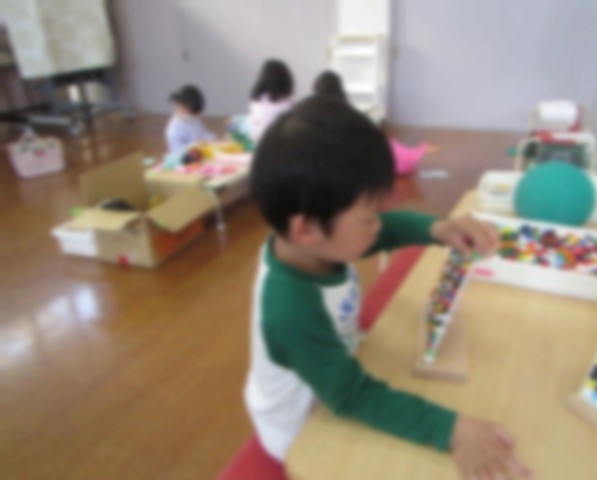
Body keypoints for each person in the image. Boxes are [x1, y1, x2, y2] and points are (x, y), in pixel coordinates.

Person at [244, 96, 532, 480]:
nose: (378, 225)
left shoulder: (311, 244)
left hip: (331, 375)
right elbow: (351, 395)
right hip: (301, 427)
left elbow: (385, 230)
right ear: (307, 229)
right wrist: (451, 429)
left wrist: (439, 229)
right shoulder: (291, 309)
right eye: (368, 218)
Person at [248, 59, 294, 144]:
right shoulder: (286, 102)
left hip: (258, 141)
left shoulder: (256, 99)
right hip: (279, 143)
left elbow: (254, 125)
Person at [165, 85, 214, 154]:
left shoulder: (194, 119)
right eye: (185, 111)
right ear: (177, 105)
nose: (190, 116)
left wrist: (209, 138)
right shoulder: (174, 128)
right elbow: (176, 150)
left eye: (193, 114)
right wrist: (195, 145)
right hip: (184, 157)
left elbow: (202, 133)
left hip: (199, 152)